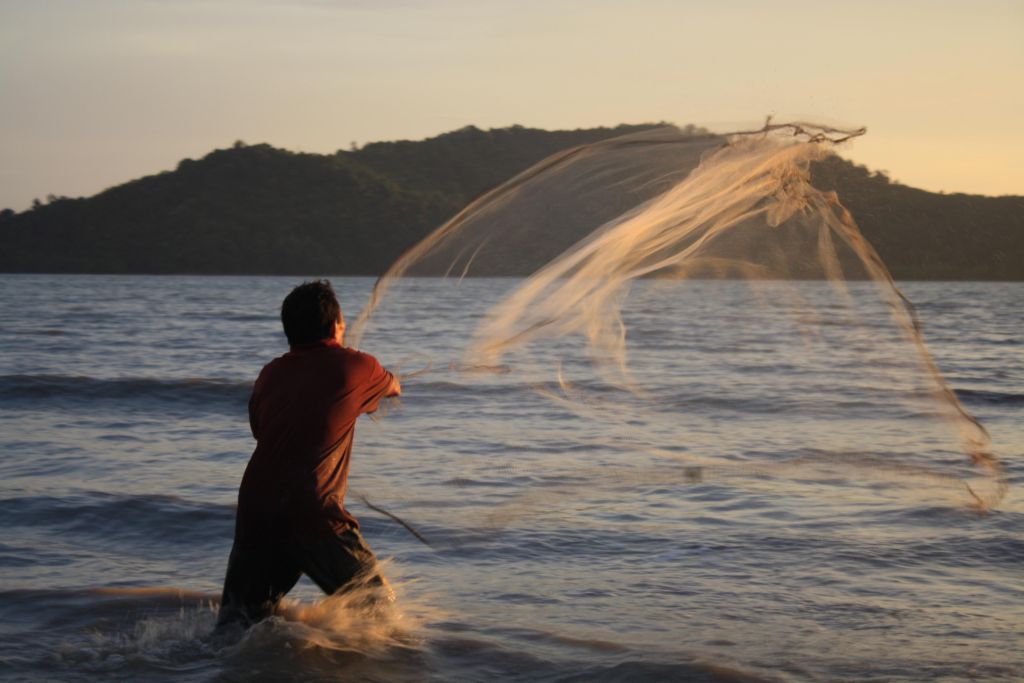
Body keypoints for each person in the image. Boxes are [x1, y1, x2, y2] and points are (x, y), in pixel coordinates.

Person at [217, 279, 401, 629]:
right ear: (334, 326)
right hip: (314, 514)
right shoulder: (357, 366)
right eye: (343, 322)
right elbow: (393, 386)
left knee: (235, 629)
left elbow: (262, 430)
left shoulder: (270, 374)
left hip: (257, 511)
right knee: (382, 620)